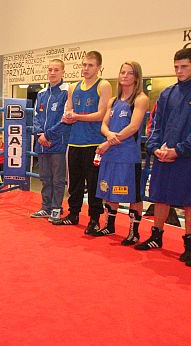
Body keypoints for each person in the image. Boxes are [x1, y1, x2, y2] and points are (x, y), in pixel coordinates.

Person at [135, 48, 191, 263]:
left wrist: (179, 150)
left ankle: (189, 243)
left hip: (187, 156)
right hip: (163, 154)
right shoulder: (167, 92)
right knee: (160, 195)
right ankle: (156, 235)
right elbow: (154, 123)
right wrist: (155, 147)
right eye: (176, 67)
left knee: (189, 200)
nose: (179, 71)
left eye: (184, 66)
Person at [53, 51, 112, 234]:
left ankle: (94, 219)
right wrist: (68, 116)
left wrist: (76, 116)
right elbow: (69, 110)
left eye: (90, 65)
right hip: (74, 141)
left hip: (94, 142)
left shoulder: (103, 85)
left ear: (99, 67)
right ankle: (73, 214)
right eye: (84, 64)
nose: (86, 68)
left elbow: (101, 115)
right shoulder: (74, 87)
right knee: (74, 183)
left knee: (93, 184)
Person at [91, 61, 149, 244]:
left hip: (128, 156)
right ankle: (109, 225)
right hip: (110, 154)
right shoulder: (113, 101)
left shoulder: (140, 99)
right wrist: (109, 136)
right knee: (108, 190)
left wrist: (109, 142)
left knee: (133, 195)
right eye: (122, 72)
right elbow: (103, 125)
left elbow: (133, 127)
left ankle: (134, 232)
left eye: (129, 73)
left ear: (136, 76)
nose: (124, 75)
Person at [30, 59, 70, 222]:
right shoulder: (41, 93)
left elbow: (65, 118)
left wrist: (48, 136)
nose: (52, 73)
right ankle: (45, 207)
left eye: (56, 70)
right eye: (50, 69)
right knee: (45, 177)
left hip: (58, 143)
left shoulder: (67, 91)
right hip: (42, 143)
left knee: (58, 179)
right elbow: (35, 117)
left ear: (63, 72)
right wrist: (40, 134)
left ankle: (56, 208)